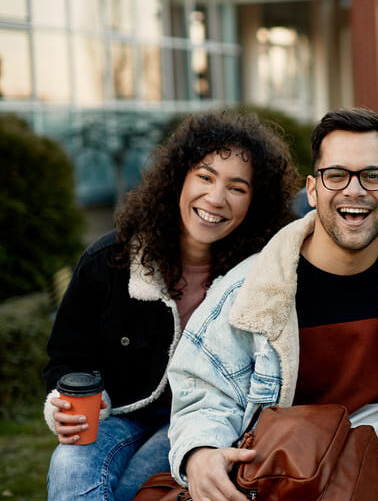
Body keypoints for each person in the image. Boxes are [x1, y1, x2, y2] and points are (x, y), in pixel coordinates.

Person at [167, 108, 378, 501]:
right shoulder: (249, 288)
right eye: (336, 175)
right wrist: (200, 453)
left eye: (372, 176)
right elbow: (202, 390)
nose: (354, 190)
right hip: (286, 474)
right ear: (312, 190)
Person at [42, 111, 298, 501]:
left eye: (237, 188)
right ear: (179, 178)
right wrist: (63, 404)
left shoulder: (263, 274)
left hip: (201, 421)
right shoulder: (111, 260)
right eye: (205, 177)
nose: (215, 198)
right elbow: (66, 356)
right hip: (119, 414)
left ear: (255, 202)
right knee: (68, 465)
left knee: (133, 491)